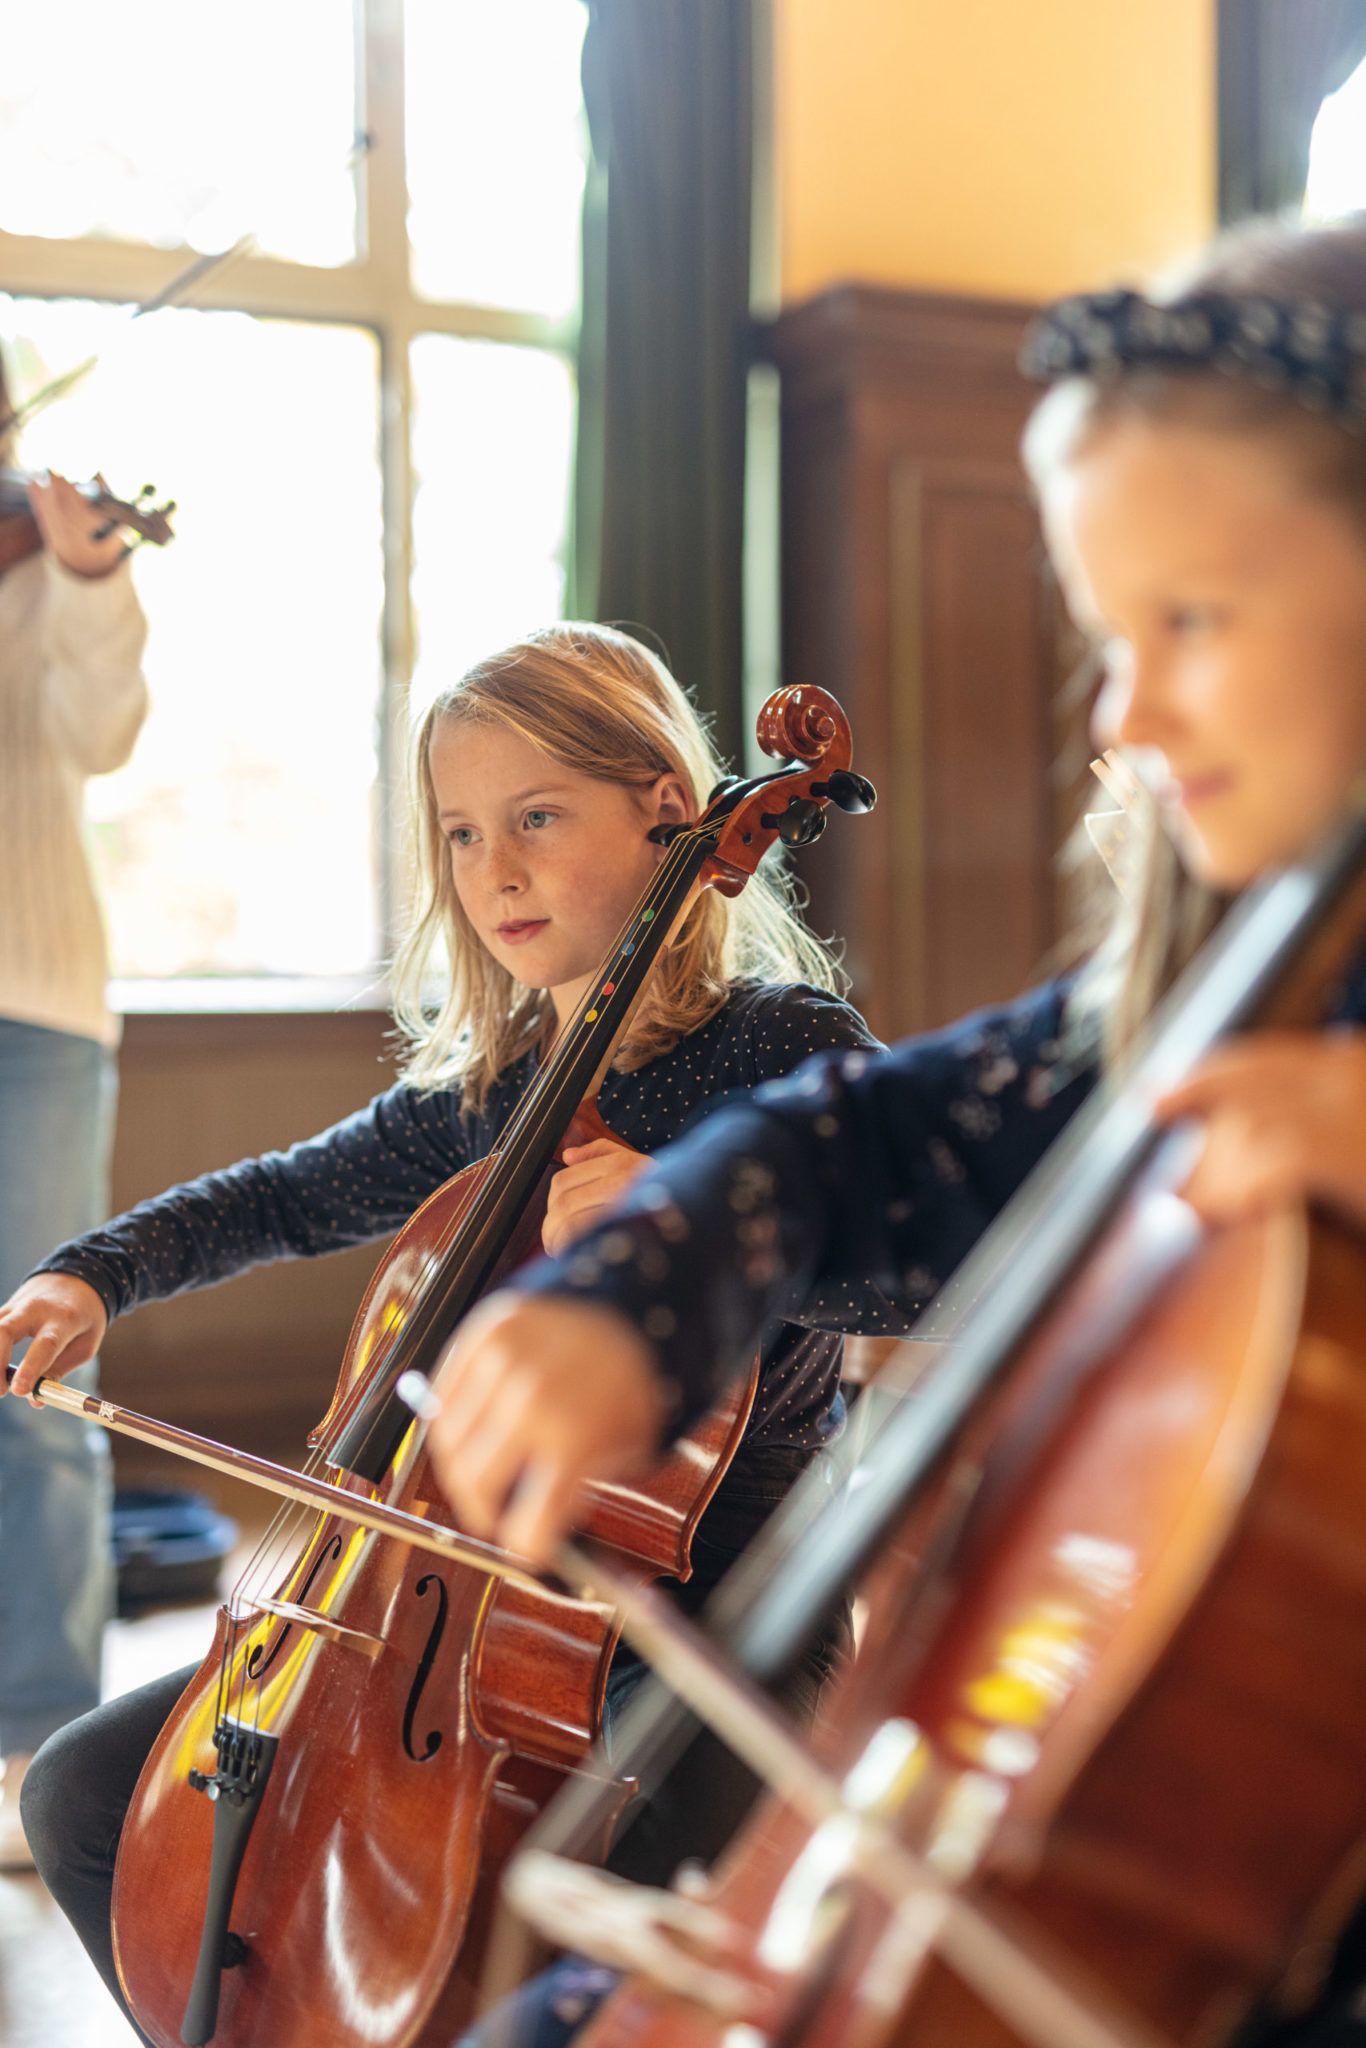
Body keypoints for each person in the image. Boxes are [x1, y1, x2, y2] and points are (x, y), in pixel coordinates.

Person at [420, 215, 1366, 2045]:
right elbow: (856, 1137)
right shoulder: (1225, 989)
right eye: (1109, 635)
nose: (1127, 710)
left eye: (1189, 622)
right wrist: (635, 1288)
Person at [0, 621, 897, 2036]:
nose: (496, 871)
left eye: (538, 818)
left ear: (671, 807)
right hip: (444, 1618)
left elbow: (918, 1275)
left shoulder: (783, 1047)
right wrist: (91, 1274)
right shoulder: (499, 1085)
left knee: (552, 1928)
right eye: (463, 834)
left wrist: (699, 1215)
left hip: (708, 1623)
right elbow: (287, 1196)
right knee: (89, 1793)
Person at [0, 350, 150, 1871]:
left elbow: (104, 733)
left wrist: (90, 575)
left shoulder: (47, 559)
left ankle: (37, 1730)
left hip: (29, 1002)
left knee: (32, 1367)